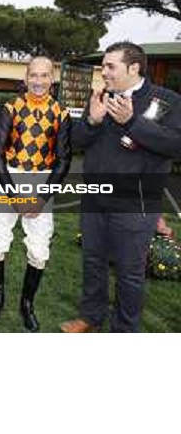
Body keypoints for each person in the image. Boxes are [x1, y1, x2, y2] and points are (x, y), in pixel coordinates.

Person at [61, 41, 181, 333]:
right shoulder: (102, 96)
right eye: (103, 66)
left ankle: (124, 330)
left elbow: (175, 145)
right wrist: (91, 119)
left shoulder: (166, 100)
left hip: (136, 203)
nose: (104, 72)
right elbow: (75, 142)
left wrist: (132, 122)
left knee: (129, 273)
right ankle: (90, 317)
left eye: (110, 66)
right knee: (93, 262)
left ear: (134, 67)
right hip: (95, 199)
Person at [0, 56, 72, 331]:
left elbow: (63, 160)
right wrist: (13, 196)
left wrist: (42, 198)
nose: (38, 81)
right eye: (33, 75)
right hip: (9, 178)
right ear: (26, 77)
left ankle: (27, 303)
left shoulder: (61, 113)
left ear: (52, 78)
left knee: (39, 247)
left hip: (42, 182)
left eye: (44, 75)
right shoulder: (10, 108)